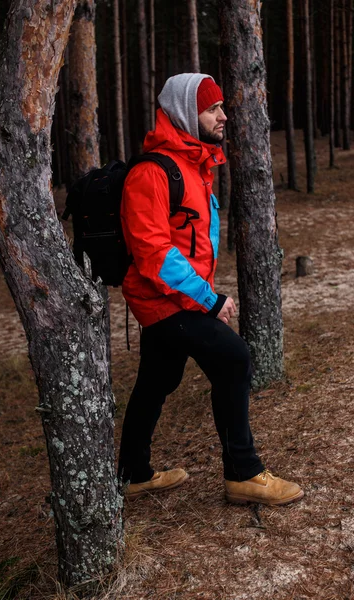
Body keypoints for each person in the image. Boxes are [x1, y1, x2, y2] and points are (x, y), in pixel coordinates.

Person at [118, 73, 304, 506]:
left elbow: (190, 243)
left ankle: (132, 473)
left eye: (221, 107)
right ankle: (243, 473)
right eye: (212, 109)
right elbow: (154, 254)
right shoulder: (152, 172)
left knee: (158, 378)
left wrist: (203, 291)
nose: (223, 116)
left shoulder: (193, 163)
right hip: (160, 300)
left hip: (179, 294)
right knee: (234, 358)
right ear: (186, 112)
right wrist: (210, 299)